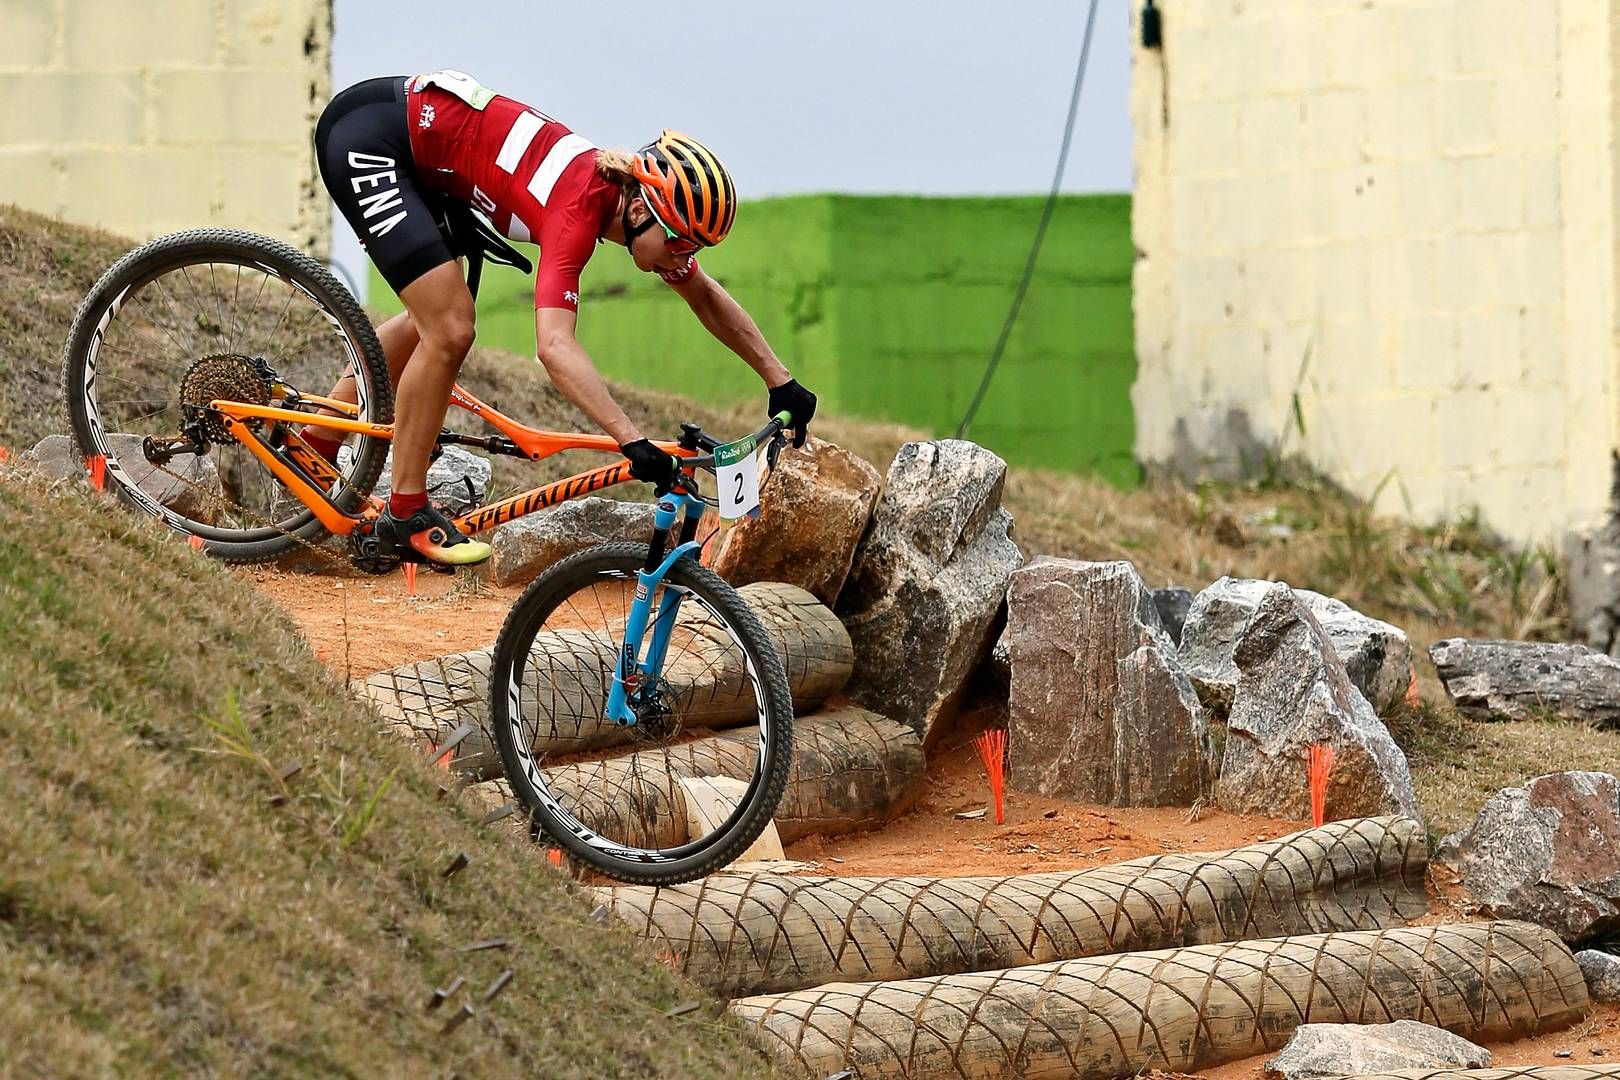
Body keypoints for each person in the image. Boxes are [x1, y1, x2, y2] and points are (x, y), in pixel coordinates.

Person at [309, 70, 816, 566]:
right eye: (681, 241)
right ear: (641, 210)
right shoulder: (576, 209)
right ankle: (407, 512)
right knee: (451, 327)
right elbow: (553, 347)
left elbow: (704, 295)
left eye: (695, 247)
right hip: (372, 139)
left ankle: (317, 440)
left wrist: (780, 380)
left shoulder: (623, 203)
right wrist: (630, 439)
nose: (685, 258)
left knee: (440, 309)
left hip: (414, 140)